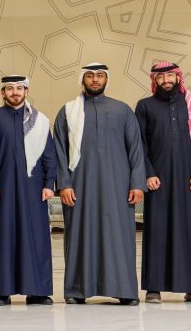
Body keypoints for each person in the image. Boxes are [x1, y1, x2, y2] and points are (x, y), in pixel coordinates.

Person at [53, 63, 145, 306]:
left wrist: (137, 183)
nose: (95, 80)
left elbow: (136, 149)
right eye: (90, 76)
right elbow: (59, 151)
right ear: (82, 80)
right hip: (79, 185)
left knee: (119, 236)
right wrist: (64, 184)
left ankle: (125, 290)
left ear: (106, 79)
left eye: (100, 76)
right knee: (80, 234)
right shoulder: (68, 112)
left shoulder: (122, 110)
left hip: (118, 186)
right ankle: (77, 289)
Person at [135, 61, 191, 304]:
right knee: (157, 232)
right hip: (157, 181)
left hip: (188, 180)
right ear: (154, 80)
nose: (166, 80)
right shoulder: (145, 106)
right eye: (161, 77)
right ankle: (154, 288)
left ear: (178, 77)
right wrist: (148, 173)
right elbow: (139, 144)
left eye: (170, 75)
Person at [0, 75, 58, 306]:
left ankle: (37, 291)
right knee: (3, 237)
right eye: (10, 88)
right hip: (2, 188)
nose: (15, 92)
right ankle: (3, 291)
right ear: (2, 93)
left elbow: (49, 154)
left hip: (33, 188)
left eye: (19, 88)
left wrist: (49, 184)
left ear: (26, 91)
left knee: (36, 238)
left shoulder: (40, 120)